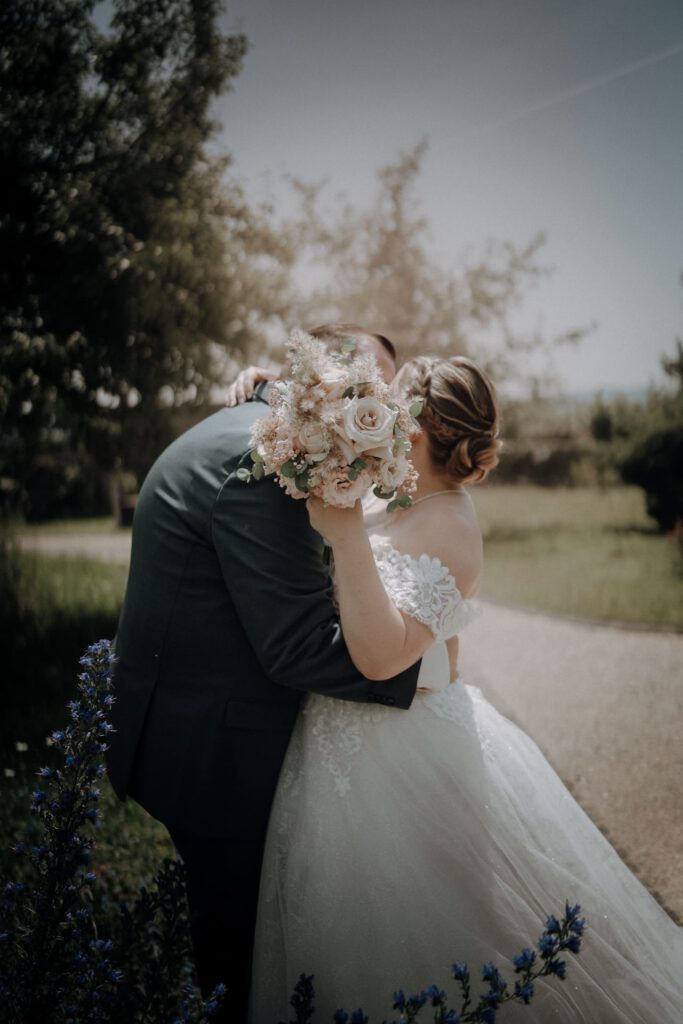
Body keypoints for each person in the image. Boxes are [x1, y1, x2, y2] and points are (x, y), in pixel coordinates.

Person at [233, 355, 683, 1023]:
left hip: (401, 757)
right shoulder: (395, 489)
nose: (378, 415)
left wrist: (348, 534)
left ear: (417, 429)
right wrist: (271, 390)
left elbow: (383, 657)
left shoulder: (451, 529)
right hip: (335, 746)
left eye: (390, 406)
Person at [105, 323, 422, 1024]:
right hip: (211, 752)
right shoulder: (263, 464)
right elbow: (296, 646)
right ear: (317, 384)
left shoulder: (265, 431)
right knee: (241, 956)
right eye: (365, 392)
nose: (380, 413)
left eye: (385, 399)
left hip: (189, 717)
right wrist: (415, 670)